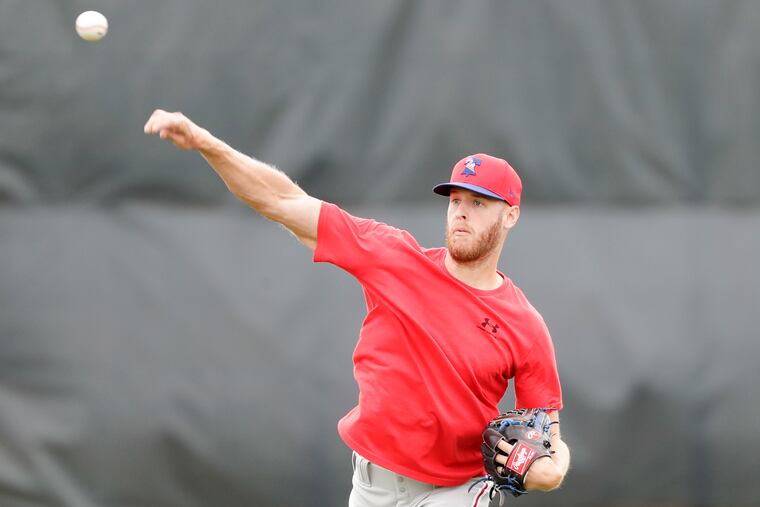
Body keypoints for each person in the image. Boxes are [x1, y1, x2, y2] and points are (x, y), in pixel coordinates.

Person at [144, 109, 571, 507]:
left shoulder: (524, 325)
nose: (461, 213)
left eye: (478, 203)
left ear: (510, 216)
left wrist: (550, 472)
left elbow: (549, 437)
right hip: (371, 486)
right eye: (455, 200)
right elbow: (280, 199)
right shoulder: (393, 257)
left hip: (457, 490)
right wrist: (205, 143)